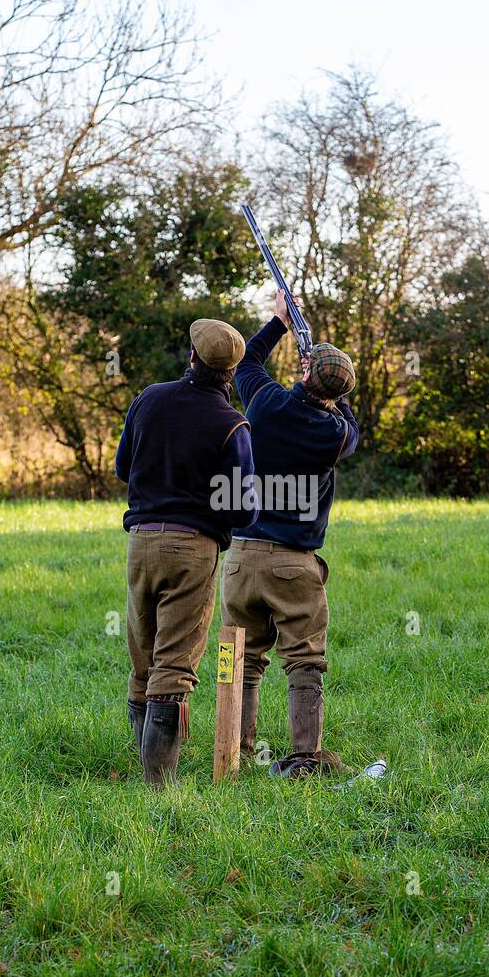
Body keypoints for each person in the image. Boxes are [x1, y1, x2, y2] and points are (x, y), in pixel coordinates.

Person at [220, 290, 359, 776]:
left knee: (239, 659)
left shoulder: (264, 404)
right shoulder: (335, 434)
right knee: (305, 661)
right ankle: (305, 758)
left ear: (302, 374)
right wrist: (327, 381)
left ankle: (233, 754)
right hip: (293, 563)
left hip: (239, 556)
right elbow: (348, 422)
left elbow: (247, 360)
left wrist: (280, 321)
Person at [116, 319, 257, 785]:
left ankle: (147, 774)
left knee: (145, 656)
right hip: (193, 550)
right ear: (231, 372)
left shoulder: (148, 398)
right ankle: (160, 787)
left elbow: (122, 467)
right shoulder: (231, 425)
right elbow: (242, 510)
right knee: (174, 664)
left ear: (192, 358)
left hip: (140, 542)